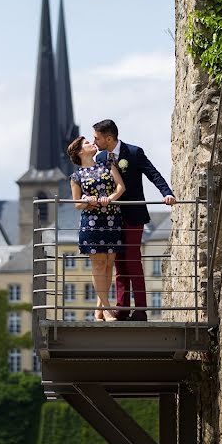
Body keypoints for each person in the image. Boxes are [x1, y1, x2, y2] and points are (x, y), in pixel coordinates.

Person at [93, 119, 175, 321]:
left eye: (97, 138)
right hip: (111, 218)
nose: (94, 141)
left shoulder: (134, 152)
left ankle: (140, 310)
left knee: (133, 261)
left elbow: (153, 174)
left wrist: (167, 193)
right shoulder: (101, 157)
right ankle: (122, 309)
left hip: (134, 216)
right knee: (119, 264)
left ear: (109, 138)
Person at [67, 135, 126, 322]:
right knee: (99, 264)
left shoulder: (107, 164)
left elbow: (120, 187)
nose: (92, 143)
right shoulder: (76, 176)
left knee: (109, 264)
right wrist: (85, 200)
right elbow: (76, 204)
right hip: (91, 222)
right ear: (79, 152)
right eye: (87, 143)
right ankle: (107, 309)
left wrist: (111, 198)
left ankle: (99, 308)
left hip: (111, 218)